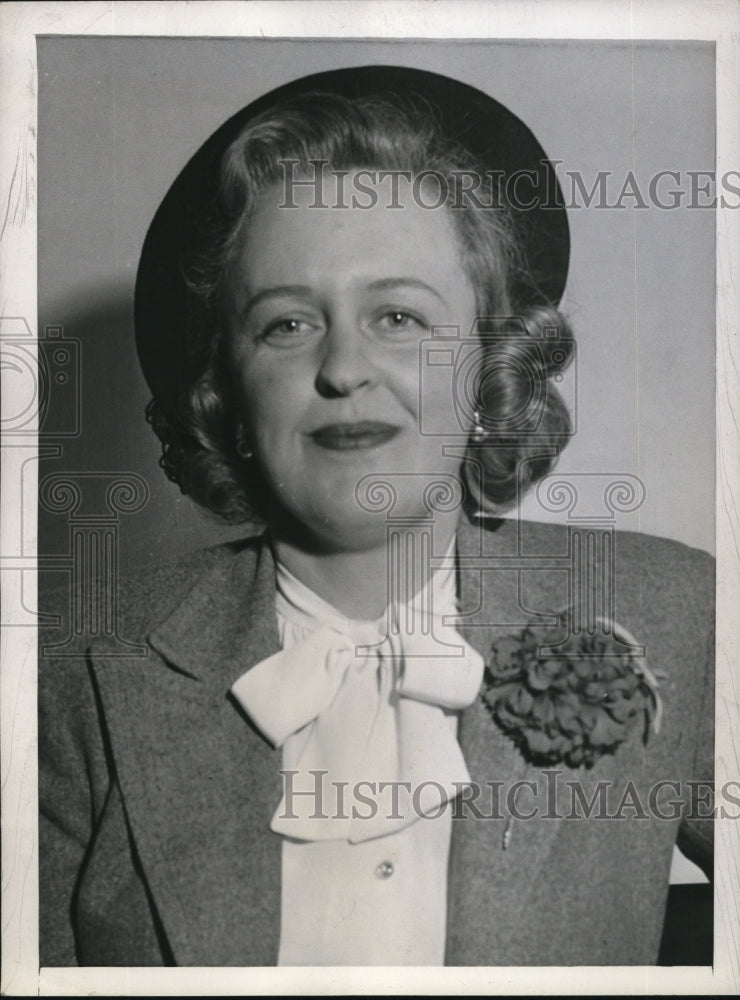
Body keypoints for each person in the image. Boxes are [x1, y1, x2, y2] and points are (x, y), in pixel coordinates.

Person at [39, 66, 714, 967]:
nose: (345, 367)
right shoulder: (68, 675)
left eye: (398, 315)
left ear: (489, 363)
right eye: (286, 325)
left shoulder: (677, 612)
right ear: (228, 398)